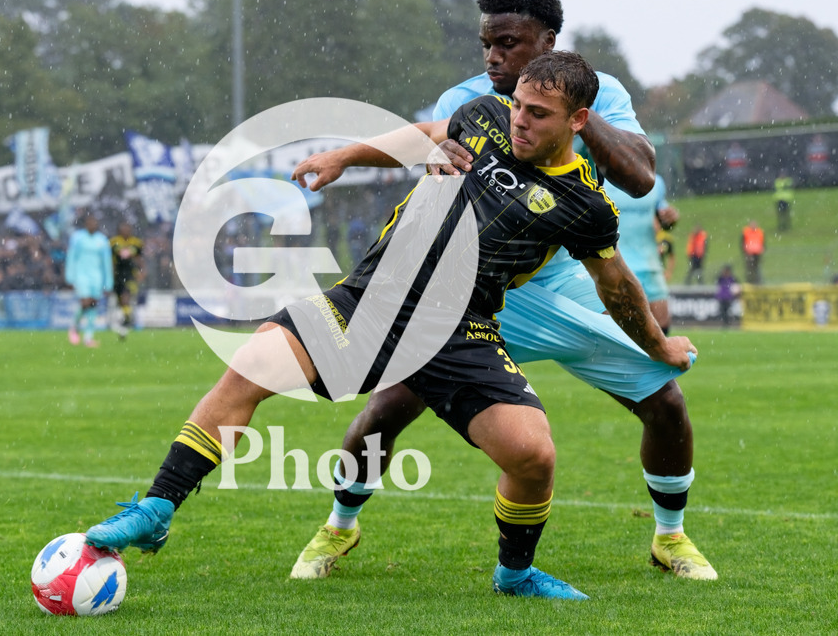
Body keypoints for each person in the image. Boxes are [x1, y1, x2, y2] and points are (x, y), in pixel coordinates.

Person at [83, 52, 696, 602]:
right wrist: (342, 155)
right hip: (367, 302)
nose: (520, 120)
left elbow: (618, 287)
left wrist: (661, 344)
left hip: (462, 332)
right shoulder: (483, 117)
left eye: (538, 114)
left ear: (578, 122)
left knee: (534, 456)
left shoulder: (585, 205)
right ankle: (157, 506)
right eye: (518, 106)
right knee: (249, 368)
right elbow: (425, 133)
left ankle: (514, 574)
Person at [289, 0, 716, 583]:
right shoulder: (463, 99)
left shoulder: (603, 93)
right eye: (487, 43)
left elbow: (641, 177)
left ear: (546, 41)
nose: (493, 57)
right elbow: (441, 176)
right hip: (479, 292)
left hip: (567, 281)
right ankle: (339, 523)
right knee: (392, 405)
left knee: (665, 398)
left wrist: (571, 106)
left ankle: (670, 538)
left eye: (509, 44)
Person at [605, 174, 677, 333]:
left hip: (649, 265)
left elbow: (663, 219)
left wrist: (670, 219)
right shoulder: (601, 179)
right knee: (617, 331)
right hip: (616, 265)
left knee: (662, 327)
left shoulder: (655, 181)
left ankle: (652, 358)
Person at [65, 213, 113, 348]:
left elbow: (106, 263)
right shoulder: (77, 238)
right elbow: (71, 258)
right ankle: (74, 326)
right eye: (90, 222)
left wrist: (108, 282)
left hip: (97, 277)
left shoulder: (102, 240)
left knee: (93, 305)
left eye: (95, 223)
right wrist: (70, 277)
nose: (92, 225)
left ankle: (88, 338)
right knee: (85, 302)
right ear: (86, 224)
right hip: (81, 275)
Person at [109, 222, 144, 340]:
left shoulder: (136, 242)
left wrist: (143, 272)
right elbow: (120, 254)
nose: (126, 231)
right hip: (117, 276)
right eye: (123, 229)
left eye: (128, 229)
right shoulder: (114, 241)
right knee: (121, 303)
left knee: (125, 297)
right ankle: (125, 325)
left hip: (130, 275)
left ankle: (128, 319)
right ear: (119, 230)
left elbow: (139, 259)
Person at [741, 220, 764, 285]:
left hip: (757, 253)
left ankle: (757, 282)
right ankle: (750, 281)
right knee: (749, 268)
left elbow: (762, 242)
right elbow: (743, 242)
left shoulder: (760, 232)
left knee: (756, 268)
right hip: (749, 253)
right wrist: (745, 251)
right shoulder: (746, 232)